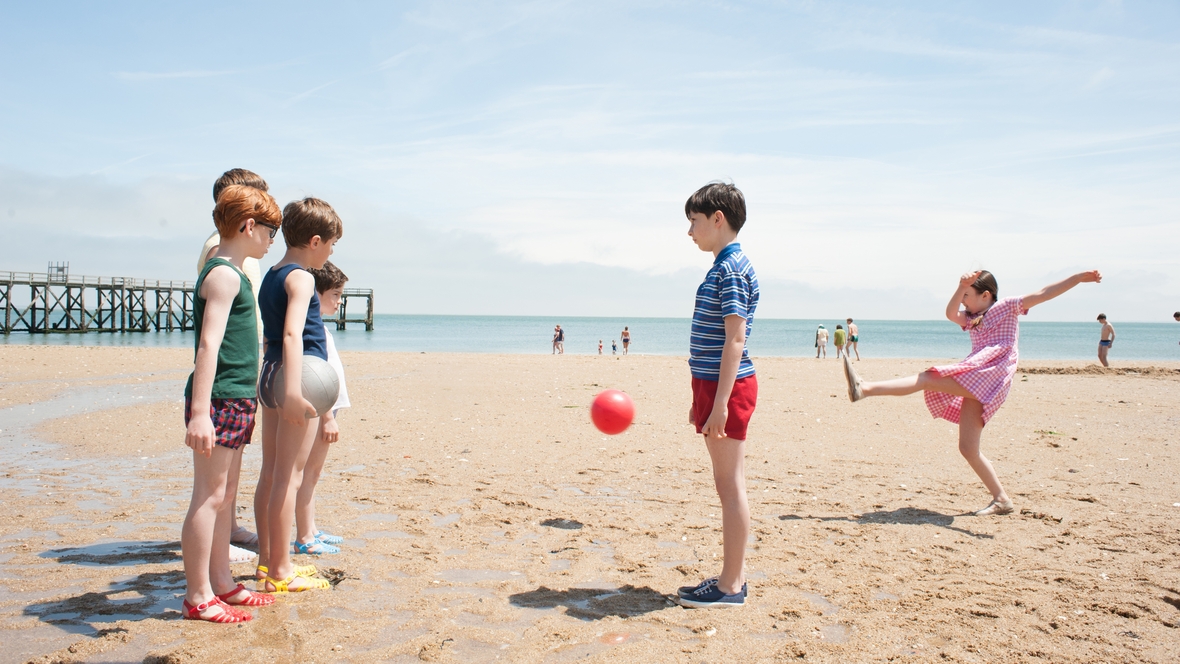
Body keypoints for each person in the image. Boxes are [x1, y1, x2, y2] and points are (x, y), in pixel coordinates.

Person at [842, 269, 1101, 516]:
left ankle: (864, 389)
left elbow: (1045, 292)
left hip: (991, 375)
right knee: (968, 448)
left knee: (928, 378)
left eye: (968, 296)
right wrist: (961, 287)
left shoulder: (1007, 306)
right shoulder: (972, 319)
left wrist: (1078, 278)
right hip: (979, 376)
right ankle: (1001, 500)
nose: (964, 302)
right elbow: (950, 313)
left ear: (986, 295)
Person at [180, 185, 281, 622]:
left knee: (225, 495)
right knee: (209, 495)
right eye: (270, 229)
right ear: (248, 225)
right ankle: (198, 593)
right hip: (219, 399)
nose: (272, 238)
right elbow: (208, 345)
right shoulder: (221, 274)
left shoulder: (237, 273)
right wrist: (200, 412)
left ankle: (222, 581)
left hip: (237, 398)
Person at [254, 197, 342, 594]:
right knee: (288, 478)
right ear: (315, 240)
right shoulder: (303, 277)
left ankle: (266, 563)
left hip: (270, 371)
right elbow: (293, 334)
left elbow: (275, 336)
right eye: (331, 245)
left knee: (272, 473)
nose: (331, 253)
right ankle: (281, 569)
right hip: (296, 378)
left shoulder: (273, 272)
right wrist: (293, 391)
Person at [677, 182, 759, 609]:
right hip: (713, 385)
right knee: (729, 483)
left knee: (730, 485)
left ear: (717, 219)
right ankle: (734, 577)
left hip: (727, 387)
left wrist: (721, 404)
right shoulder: (725, 265)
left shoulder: (730, 269)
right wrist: (703, 398)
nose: (690, 231)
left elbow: (735, 341)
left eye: (693, 221)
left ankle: (730, 587)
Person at [198, 168, 268, 558]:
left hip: (238, 375)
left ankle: (228, 532)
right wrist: (199, 409)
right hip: (226, 381)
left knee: (227, 476)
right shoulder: (220, 256)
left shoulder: (237, 255)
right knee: (215, 486)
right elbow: (210, 340)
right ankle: (219, 546)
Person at [292, 261, 350, 555]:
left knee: (313, 474)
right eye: (336, 295)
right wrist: (328, 417)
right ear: (317, 294)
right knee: (307, 472)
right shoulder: (313, 332)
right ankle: (304, 536)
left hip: (328, 407)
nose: (340, 302)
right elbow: (316, 376)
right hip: (321, 409)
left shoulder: (321, 329)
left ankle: (311, 528)